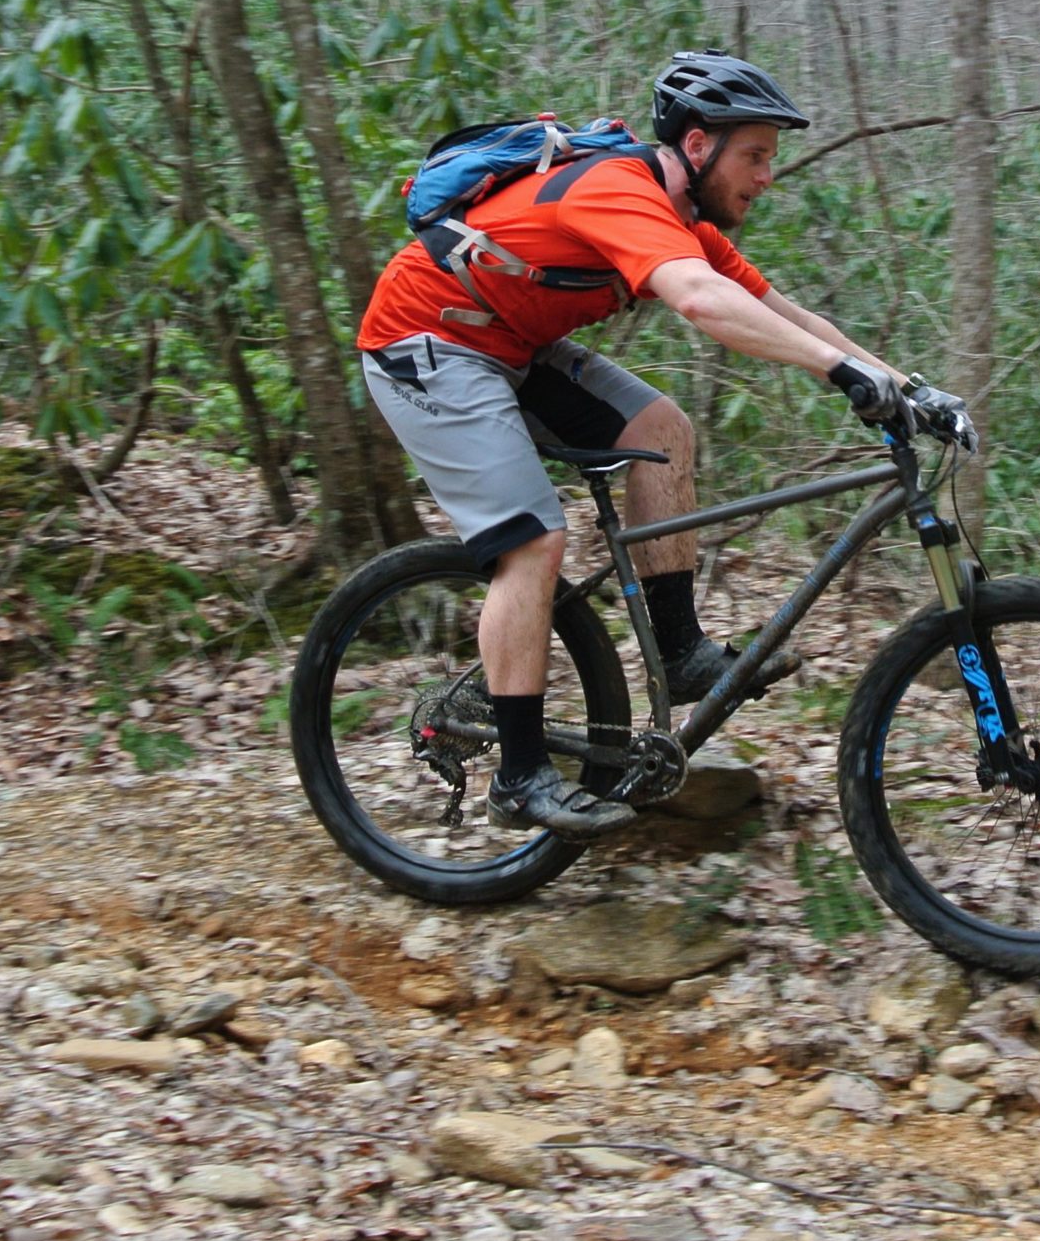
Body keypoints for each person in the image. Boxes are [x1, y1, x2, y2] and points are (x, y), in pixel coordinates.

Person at [356, 51, 973, 838]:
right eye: (754, 155)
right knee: (534, 541)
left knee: (662, 432)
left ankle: (678, 652)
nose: (766, 176)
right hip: (425, 343)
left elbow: (792, 316)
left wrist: (910, 388)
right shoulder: (617, 188)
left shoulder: (686, 223)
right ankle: (517, 777)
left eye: (770, 159)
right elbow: (698, 300)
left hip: (513, 344)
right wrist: (839, 373)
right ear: (695, 146)